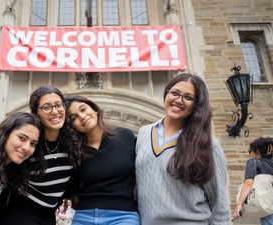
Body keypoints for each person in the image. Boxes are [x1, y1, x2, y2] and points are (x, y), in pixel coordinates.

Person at [134, 73, 231, 224]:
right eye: (175, 93)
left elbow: (219, 204)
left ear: (197, 105)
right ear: (166, 93)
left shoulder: (206, 143)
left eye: (188, 97)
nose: (179, 100)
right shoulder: (144, 133)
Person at [3, 86, 82, 225]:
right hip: (23, 211)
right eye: (46, 107)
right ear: (36, 113)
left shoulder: (72, 142)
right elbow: (1, 151)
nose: (55, 111)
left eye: (58, 105)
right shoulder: (30, 144)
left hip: (49, 214)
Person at [64, 95, 139, 225]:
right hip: (84, 216)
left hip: (123, 216)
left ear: (95, 109)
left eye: (83, 109)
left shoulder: (125, 137)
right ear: (71, 126)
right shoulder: (75, 151)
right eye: (74, 117)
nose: (82, 116)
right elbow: (69, 188)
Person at [232, 137, 273, 224]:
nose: (250, 154)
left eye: (250, 151)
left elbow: (248, 183)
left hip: (268, 205)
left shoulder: (254, 162)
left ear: (257, 151)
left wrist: (239, 204)